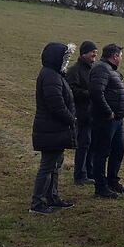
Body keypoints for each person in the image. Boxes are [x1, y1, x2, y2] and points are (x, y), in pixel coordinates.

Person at [30, 42, 78, 214]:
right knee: (48, 166)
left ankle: (52, 197)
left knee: (55, 164)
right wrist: (71, 119)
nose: (66, 61)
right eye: (65, 57)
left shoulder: (54, 74)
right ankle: (37, 203)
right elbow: (56, 105)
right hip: (51, 129)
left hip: (54, 129)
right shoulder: (50, 76)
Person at [89, 43, 124, 198]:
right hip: (106, 119)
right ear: (115, 56)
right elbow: (96, 92)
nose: (121, 59)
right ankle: (101, 187)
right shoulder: (101, 69)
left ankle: (113, 181)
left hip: (116, 120)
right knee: (102, 152)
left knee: (118, 150)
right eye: (120, 56)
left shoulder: (109, 70)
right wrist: (108, 112)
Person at [66, 40, 98, 186]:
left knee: (91, 144)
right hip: (81, 114)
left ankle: (89, 173)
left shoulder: (92, 68)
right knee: (83, 145)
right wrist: (90, 93)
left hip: (92, 114)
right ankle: (80, 175)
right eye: (92, 52)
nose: (95, 54)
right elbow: (71, 91)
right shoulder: (74, 70)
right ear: (84, 53)